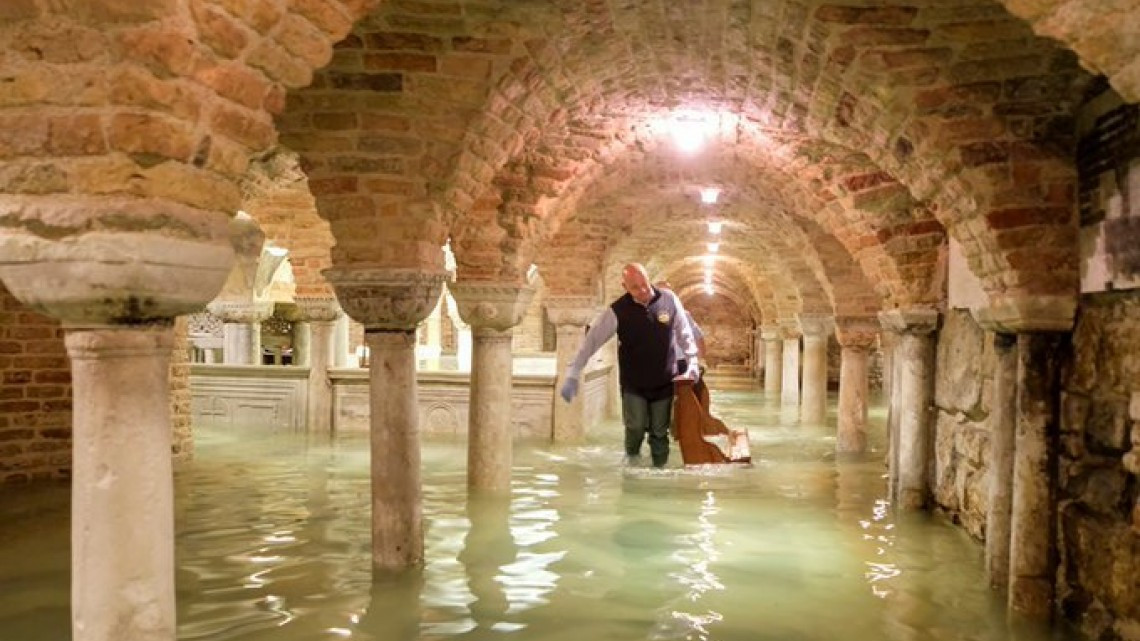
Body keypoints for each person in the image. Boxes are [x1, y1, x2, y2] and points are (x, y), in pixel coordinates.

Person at [559, 263, 700, 467]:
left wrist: (692, 362)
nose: (643, 290)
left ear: (647, 278)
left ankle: (659, 474)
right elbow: (592, 341)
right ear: (625, 286)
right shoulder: (618, 311)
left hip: (664, 380)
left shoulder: (669, 300)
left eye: (644, 284)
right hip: (634, 383)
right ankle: (632, 465)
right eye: (635, 287)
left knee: (660, 432)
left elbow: (685, 335)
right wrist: (574, 371)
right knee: (635, 426)